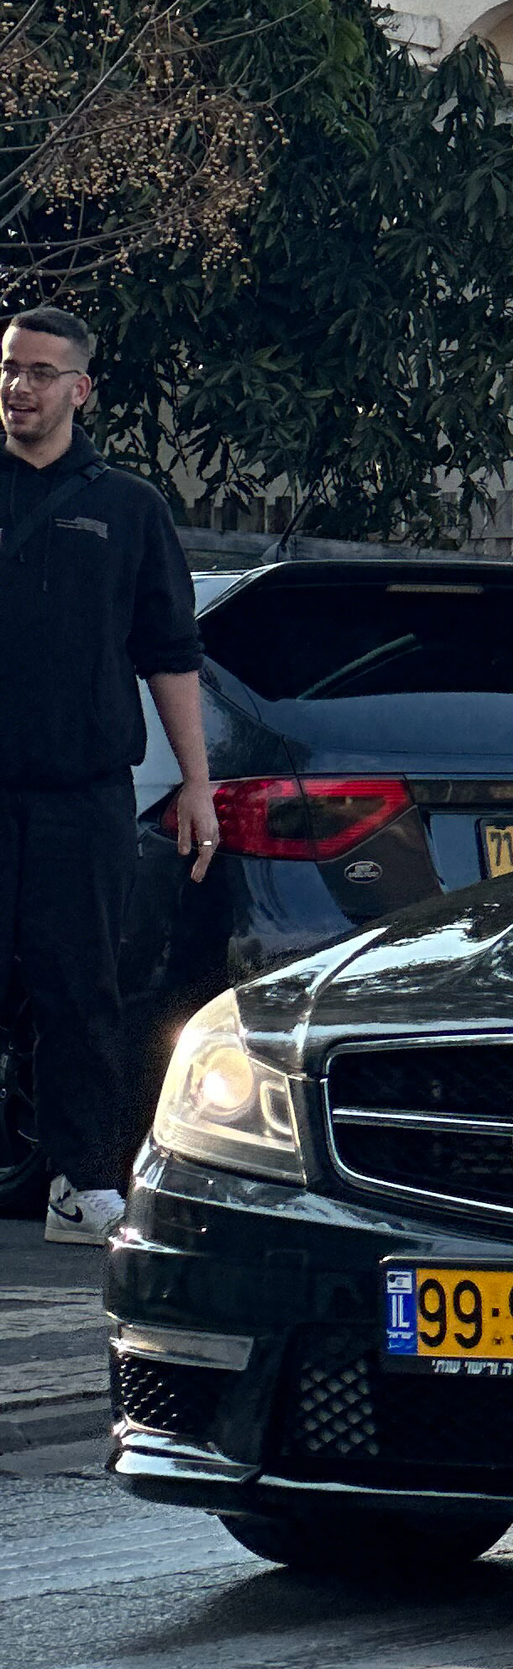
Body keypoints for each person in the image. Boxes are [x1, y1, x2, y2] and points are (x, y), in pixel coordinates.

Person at [0, 309, 217, 1245]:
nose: (21, 387)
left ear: (80, 390)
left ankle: (83, 1182)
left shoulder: (129, 507)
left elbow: (170, 652)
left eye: (43, 372)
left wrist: (200, 785)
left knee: (82, 989)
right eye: (10, 368)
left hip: (82, 793)